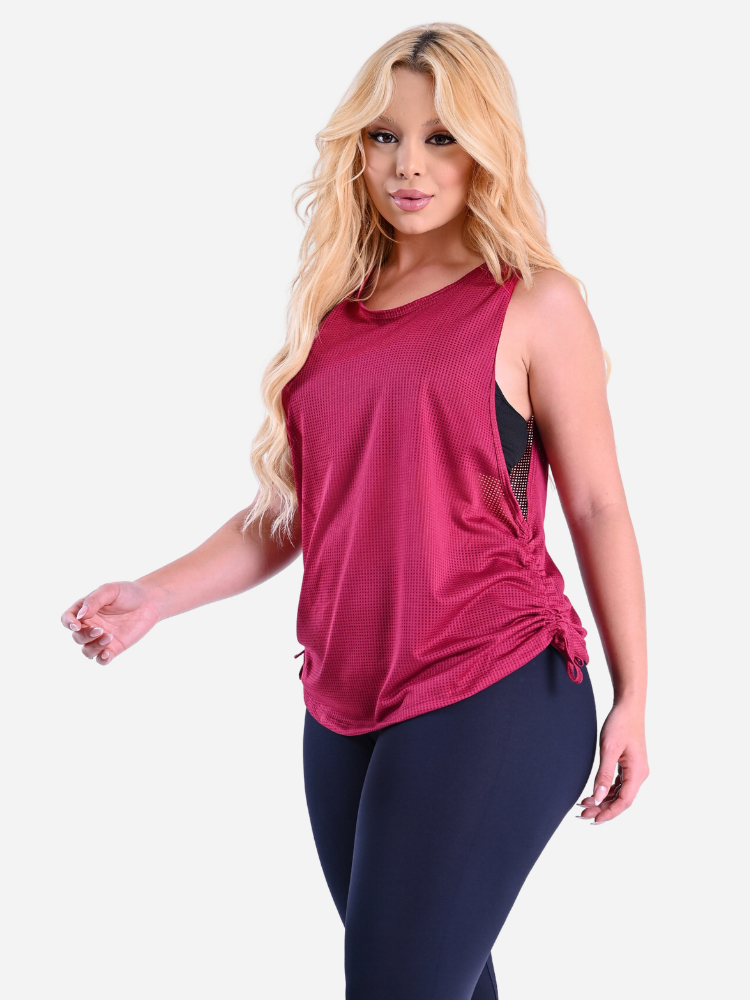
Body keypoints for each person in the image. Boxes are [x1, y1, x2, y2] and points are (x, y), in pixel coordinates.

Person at [61, 23, 649, 1000]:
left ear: (487, 147)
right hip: (343, 705)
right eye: (384, 137)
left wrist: (633, 695)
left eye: (440, 138)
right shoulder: (336, 315)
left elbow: (596, 504)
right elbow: (295, 509)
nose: (407, 165)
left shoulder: (532, 303)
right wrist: (155, 594)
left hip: (493, 683)